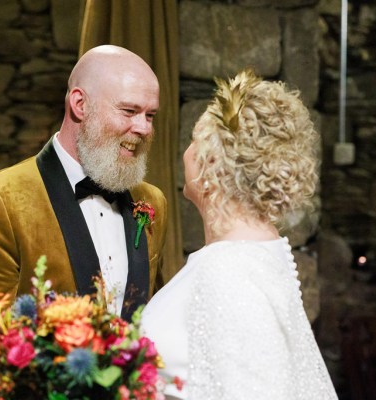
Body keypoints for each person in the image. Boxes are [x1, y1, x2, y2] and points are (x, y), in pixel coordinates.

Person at [0, 45, 168, 386]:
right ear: (80, 105)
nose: (144, 128)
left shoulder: (152, 202)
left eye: (150, 115)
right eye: (129, 111)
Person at [141, 69, 338, 399]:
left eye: (194, 141)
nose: (186, 153)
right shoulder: (261, 249)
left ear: (211, 164)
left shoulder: (227, 271)